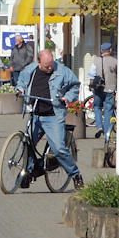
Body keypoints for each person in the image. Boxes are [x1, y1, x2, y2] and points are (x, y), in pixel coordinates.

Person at [15, 49, 84, 190]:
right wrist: (20, 89)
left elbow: (75, 86)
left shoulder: (62, 71)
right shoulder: (31, 70)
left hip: (53, 115)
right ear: (39, 62)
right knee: (27, 144)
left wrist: (68, 97)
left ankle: (75, 174)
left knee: (59, 149)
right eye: (47, 66)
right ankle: (29, 171)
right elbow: (21, 80)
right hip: (35, 113)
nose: (50, 68)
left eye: (51, 64)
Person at [90, 42, 118, 140]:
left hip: (98, 88)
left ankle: (99, 126)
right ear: (110, 50)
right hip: (110, 89)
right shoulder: (115, 61)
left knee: (97, 107)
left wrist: (91, 85)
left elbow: (92, 74)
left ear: (101, 50)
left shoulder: (96, 60)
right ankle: (107, 133)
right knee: (108, 110)